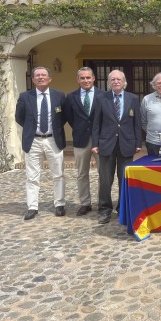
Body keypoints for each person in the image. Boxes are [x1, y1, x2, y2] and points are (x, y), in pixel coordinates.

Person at [15, 66, 67, 220]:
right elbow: (19, 117)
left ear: (50, 78)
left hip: (53, 139)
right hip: (34, 140)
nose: (40, 77)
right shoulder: (25, 96)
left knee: (58, 174)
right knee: (32, 176)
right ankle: (32, 206)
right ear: (33, 79)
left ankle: (59, 204)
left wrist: (54, 130)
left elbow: (63, 117)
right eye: (37, 75)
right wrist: (32, 129)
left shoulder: (59, 96)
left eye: (43, 75)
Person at [91, 70, 142, 225]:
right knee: (105, 179)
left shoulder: (133, 98)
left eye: (118, 79)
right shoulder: (101, 98)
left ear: (124, 81)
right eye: (112, 79)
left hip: (127, 144)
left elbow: (137, 123)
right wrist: (95, 144)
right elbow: (96, 123)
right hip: (106, 145)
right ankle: (105, 210)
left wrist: (138, 143)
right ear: (109, 82)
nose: (116, 81)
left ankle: (122, 208)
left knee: (124, 178)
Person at [63, 67, 104, 216]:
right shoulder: (71, 97)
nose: (86, 80)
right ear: (78, 80)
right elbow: (70, 117)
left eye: (88, 77)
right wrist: (82, 129)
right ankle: (85, 203)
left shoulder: (103, 95)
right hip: (80, 139)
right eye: (82, 78)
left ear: (94, 78)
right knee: (81, 173)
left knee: (103, 172)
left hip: (100, 140)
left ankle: (102, 202)